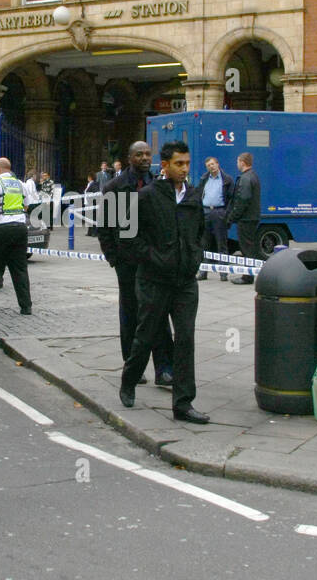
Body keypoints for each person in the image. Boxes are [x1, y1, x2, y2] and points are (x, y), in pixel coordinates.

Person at [119, 141, 208, 424]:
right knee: (145, 335)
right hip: (154, 280)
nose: (184, 169)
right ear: (165, 166)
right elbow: (128, 236)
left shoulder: (193, 196)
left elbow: (199, 232)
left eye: (187, 164)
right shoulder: (147, 196)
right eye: (178, 164)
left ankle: (183, 403)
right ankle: (129, 380)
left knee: (185, 339)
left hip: (184, 282)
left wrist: (195, 256)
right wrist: (153, 257)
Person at [99, 141, 174, 386]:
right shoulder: (116, 187)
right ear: (130, 158)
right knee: (130, 314)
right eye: (139, 154)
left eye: (147, 154)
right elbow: (106, 227)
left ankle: (164, 369)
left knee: (159, 315)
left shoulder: (159, 185)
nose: (144, 158)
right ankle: (133, 366)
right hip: (128, 262)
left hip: (155, 261)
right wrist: (114, 258)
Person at [0, 158, 32, 315]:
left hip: (0, 230)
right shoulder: (21, 185)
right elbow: (27, 205)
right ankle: (26, 306)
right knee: (20, 268)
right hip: (20, 228)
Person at [195, 157, 235, 282]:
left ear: (217, 164)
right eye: (208, 165)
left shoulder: (227, 179)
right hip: (206, 211)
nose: (211, 167)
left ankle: (223, 273)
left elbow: (232, 199)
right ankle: (203, 271)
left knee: (221, 244)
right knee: (204, 244)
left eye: (212, 164)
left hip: (219, 212)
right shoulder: (204, 179)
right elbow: (198, 194)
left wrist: (226, 214)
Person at [226, 152, 261, 285]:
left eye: (237, 161)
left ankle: (247, 277)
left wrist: (232, 217)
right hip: (251, 217)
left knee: (247, 249)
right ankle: (249, 275)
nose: (237, 164)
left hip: (246, 219)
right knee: (249, 247)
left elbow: (242, 200)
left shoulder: (246, 178)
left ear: (242, 162)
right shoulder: (253, 176)